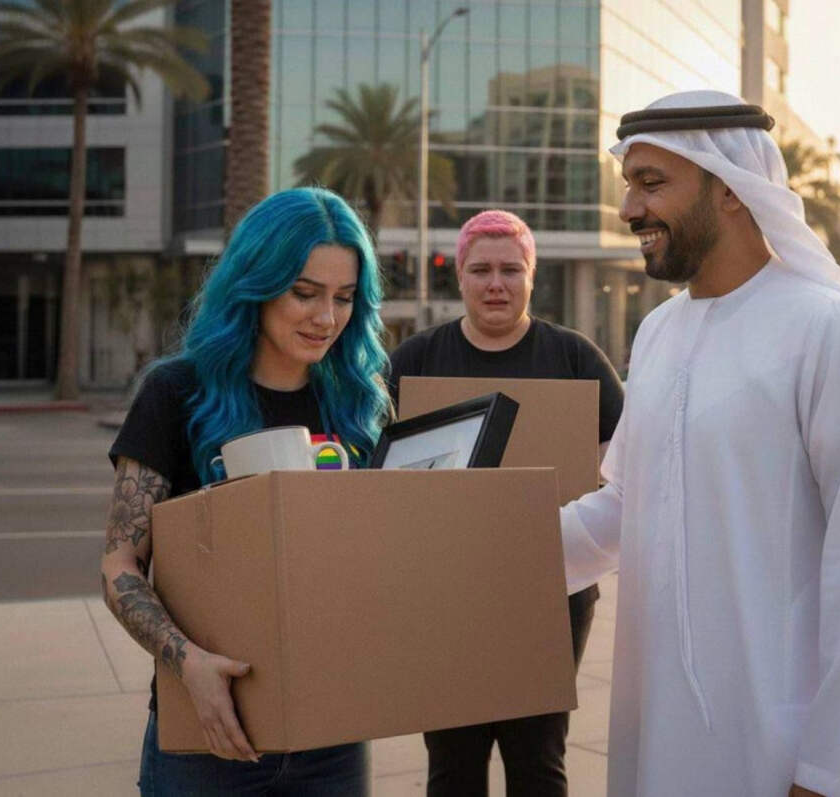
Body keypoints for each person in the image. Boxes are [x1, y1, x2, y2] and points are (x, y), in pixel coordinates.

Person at [560, 90, 840, 797]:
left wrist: (831, 770)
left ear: (730, 189)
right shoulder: (658, 332)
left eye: (651, 184)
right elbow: (631, 503)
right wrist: (495, 545)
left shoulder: (827, 328)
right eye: (628, 185)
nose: (628, 210)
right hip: (661, 732)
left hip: (786, 744)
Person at [101, 187, 390, 796]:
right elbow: (119, 565)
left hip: (333, 734)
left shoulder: (359, 403)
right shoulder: (176, 392)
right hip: (206, 733)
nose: (326, 318)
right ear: (255, 285)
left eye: (343, 298)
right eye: (304, 293)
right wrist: (189, 664)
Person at [389, 209, 624, 797]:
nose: (496, 284)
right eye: (481, 270)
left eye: (511, 270)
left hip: (552, 586)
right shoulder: (416, 360)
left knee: (538, 761)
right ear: (460, 277)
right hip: (446, 592)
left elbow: (628, 454)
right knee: (453, 765)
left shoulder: (574, 358)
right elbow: (376, 461)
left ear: (531, 277)